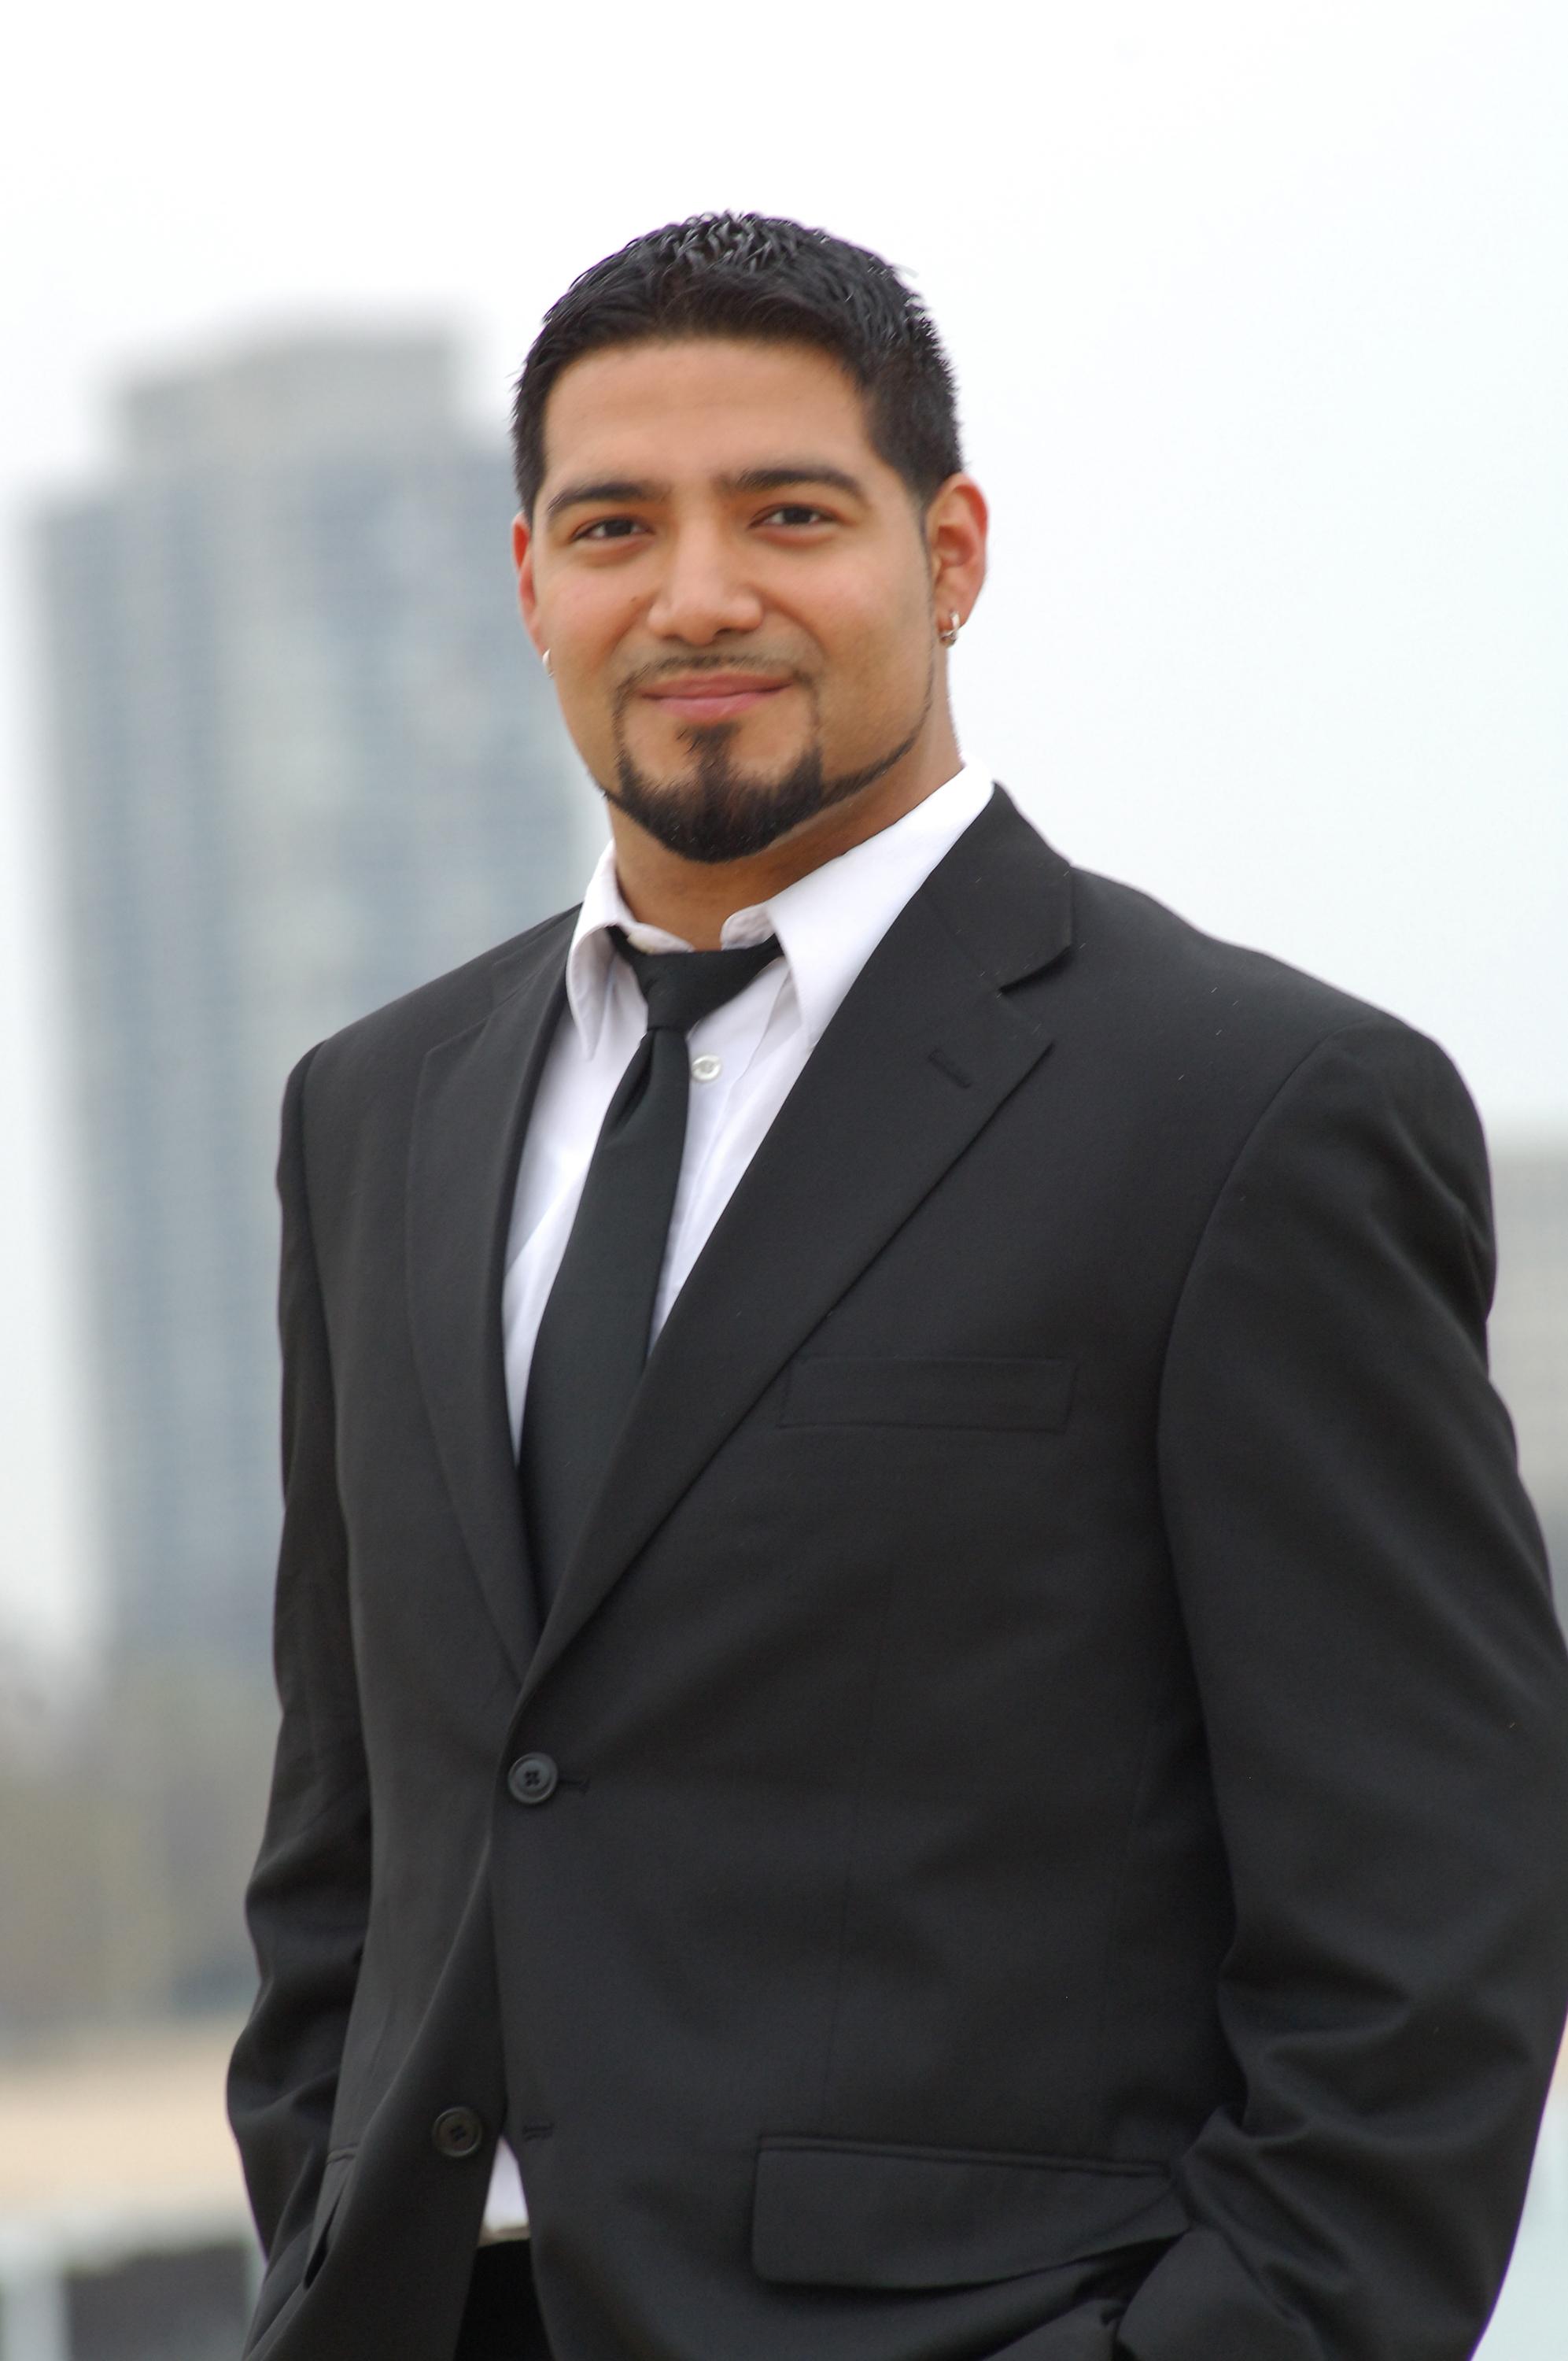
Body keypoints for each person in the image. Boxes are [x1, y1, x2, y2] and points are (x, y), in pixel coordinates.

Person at [227, 212, 1568, 2361]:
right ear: (525, 585)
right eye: (611, 525)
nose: (695, 594)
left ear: (947, 553)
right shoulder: (375, 1112)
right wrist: (318, 2225)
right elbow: (352, 1848)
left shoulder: (1248, 1113)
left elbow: (1428, 1933)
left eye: (786, 512)